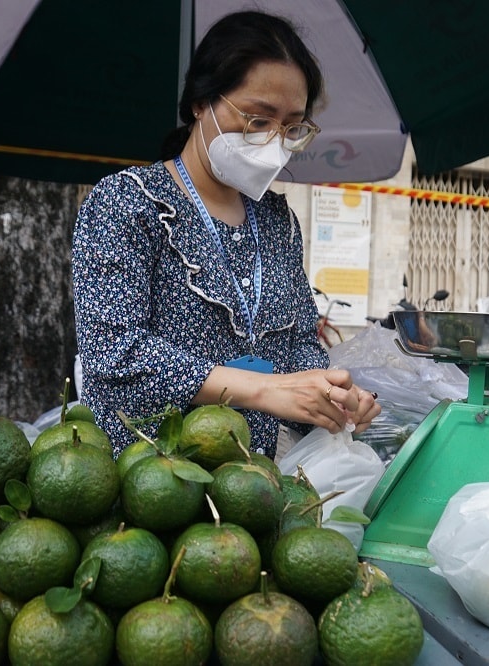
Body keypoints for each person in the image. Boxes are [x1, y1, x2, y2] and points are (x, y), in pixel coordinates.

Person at [72, 10, 381, 459]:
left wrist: (327, 392)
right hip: (147, 481)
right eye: (258, 119)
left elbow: (296, 346)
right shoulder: (127, 203)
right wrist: (260, 389)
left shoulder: (277, 222)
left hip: (252, 485)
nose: (275, 141)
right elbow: (114, 356)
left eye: (291, 126)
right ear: (201, 103)